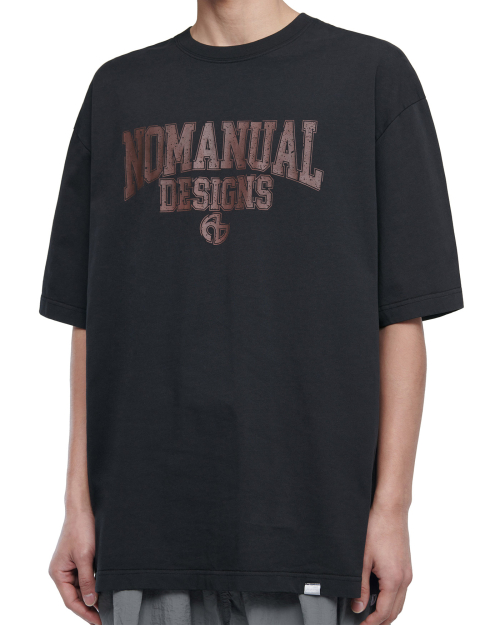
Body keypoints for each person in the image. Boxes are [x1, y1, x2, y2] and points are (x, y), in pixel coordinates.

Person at [40, 1, 463, 624]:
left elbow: (402, 316)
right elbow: (88, 321)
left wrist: (392, 510)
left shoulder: (370, 75)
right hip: (144, 532)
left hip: (315, 532)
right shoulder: (118, 90)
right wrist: (77, 506)